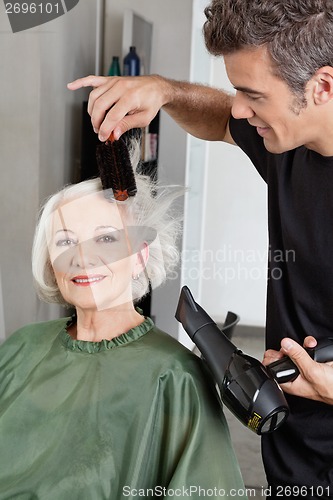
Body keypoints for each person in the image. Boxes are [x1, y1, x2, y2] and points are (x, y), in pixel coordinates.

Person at [68, 0, 333, 498]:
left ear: (322, 87)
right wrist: (166, 91)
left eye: (252, 93)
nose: (238, 107)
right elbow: (219, 119)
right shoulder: (290, 142)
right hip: (290, 452)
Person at [0, 140, 246, 499]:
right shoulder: (22, 348)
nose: (83, 258)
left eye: (105, 239)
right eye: (66, 242)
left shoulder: (175, 375)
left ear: (139, 257)